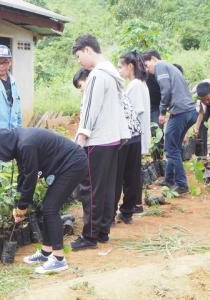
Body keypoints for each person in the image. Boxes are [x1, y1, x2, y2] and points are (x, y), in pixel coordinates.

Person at [0, 128, 87, 273]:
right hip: (66, 165)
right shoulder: (18, 142)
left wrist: (23, 207)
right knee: (48, 207)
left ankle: (59, 259)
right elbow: (23, 175)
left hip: (73, 164)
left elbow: (31, 179)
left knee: (51, 208)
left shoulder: (25, 144)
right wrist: (18, 205)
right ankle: (46, 253)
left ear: (1, 146)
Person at [70, 34, 132, 250]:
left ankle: (89, 237)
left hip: (97, 140)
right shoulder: (113, 73)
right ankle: (103, 231)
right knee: (106, 188)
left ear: (87, 50)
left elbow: (90, 110)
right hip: (113, 139)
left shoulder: (97, 75)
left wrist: (80, 139)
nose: (79, 61)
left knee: (91, 190)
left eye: (79, 56)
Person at [143, 51, 198, 194]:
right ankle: (169, 178)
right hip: (190, 112)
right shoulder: (170, 68)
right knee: (175, 147)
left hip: (180, 112)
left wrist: (162, 112)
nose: (146, 69)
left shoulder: (160, 65)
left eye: (146, 65)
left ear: (153, 59)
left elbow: (165, 90)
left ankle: (181, 184)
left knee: (170, 148)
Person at [115, 50, 151, 221]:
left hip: (130, 137)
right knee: (132, 175)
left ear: (130, 66)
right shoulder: (140, 83)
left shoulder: (135, 85)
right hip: (136, 137)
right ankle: (128, 210)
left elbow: (132, 113)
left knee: (125, 175)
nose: (119, 71)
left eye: (121, 67)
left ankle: (127, 209)